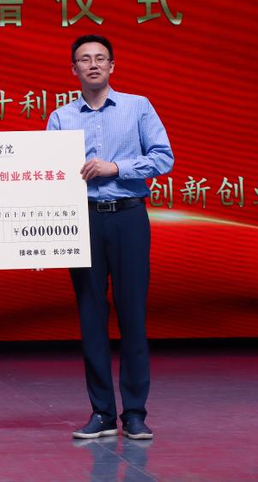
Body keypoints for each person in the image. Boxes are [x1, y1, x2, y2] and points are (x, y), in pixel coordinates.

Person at [47, 35, 173, 441]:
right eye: (84, 59)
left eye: (100, 58)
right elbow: (46, 175)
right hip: (81, 221)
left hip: (128, 218)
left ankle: (134, 412)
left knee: (132, 314)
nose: (93, 64)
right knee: (90, 315)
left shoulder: (138, 107)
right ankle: (101, 412)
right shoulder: (61, 117)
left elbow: (163, 158)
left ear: (112, 66)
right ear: (74, 69)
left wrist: (115, 168)